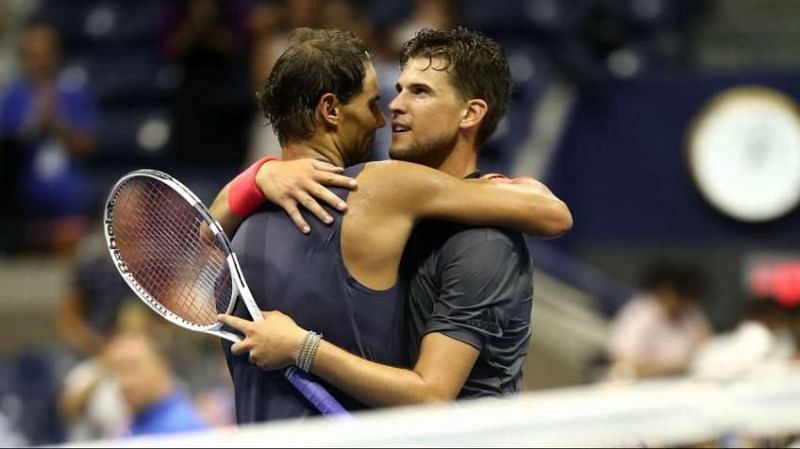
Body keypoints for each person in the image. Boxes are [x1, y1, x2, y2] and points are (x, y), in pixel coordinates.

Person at [212, 26, 571, 421]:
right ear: (331, 110)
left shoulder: (482, 238)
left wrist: (259, 174)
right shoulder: (382, 191)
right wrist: (262, 174)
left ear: (471, 112)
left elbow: (553, 212)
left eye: (419, 92)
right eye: (386, 96)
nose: (388, 113)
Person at [0, 21, 98, 254]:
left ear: (57, 55)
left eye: (44, 55)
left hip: (70, 201)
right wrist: (30, 127)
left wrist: (57, 125)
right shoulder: (14, 95)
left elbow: (89, 146)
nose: (38, 63)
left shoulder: (75, 91)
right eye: (31, 56)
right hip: (25, 204)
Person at [606, 260, 712, 380]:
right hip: (642, 385)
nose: (680, 302)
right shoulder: (638, 314)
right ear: (663, 292)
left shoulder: (690, 313)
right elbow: (623, 362)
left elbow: (709, 349)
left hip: (683, 382)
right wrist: (677, 367)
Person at [105, 331, 207, 437]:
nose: (124, 382)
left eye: (132, 368)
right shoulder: (128, 425)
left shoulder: (183, 430)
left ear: (163, 368)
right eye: (117, 370)